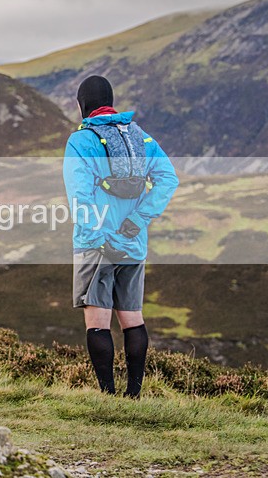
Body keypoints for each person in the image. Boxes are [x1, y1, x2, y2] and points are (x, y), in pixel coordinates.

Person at [64, 75, 178, 398]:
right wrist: (138, 221)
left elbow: (79, 198)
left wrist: (98, 238)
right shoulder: (141, 138)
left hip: (96, 245)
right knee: (132, 318)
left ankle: (108, 396)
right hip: (133, 243)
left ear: (82, 104)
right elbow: (168, 178)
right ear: (110, 100)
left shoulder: (81, 141)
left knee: (97, 322)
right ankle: (134, 395)